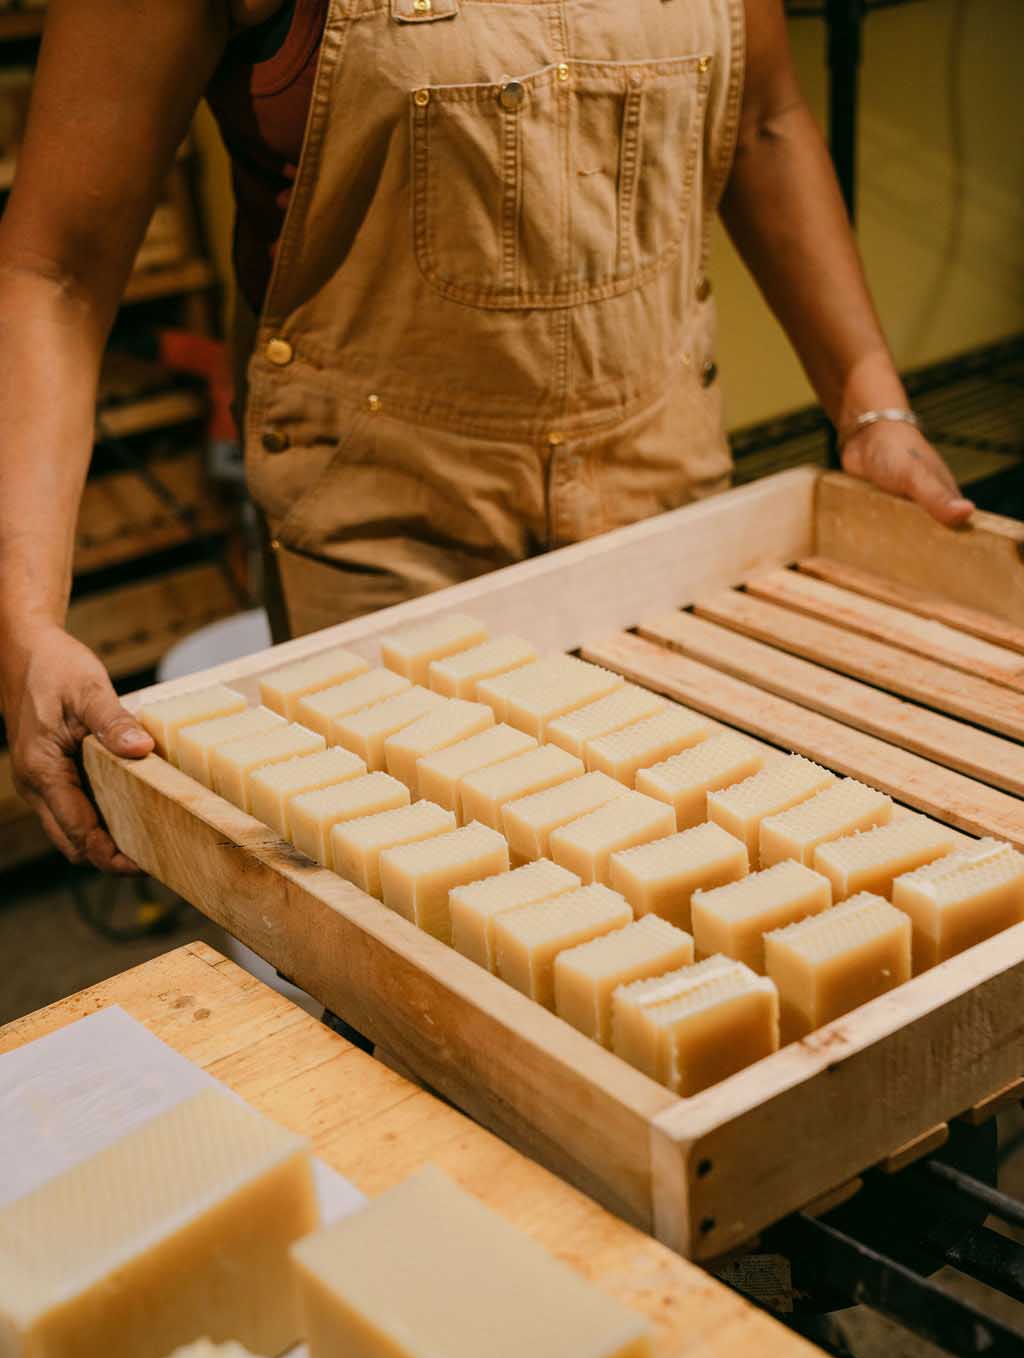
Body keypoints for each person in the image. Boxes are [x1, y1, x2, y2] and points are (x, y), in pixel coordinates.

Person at [0, 0, 974, 875]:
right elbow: (56, 272)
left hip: (666, 532)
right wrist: (26, 621)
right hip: (390, 555)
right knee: (441, 965)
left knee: (695, 915)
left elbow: (765, 119)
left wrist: (869, 405)